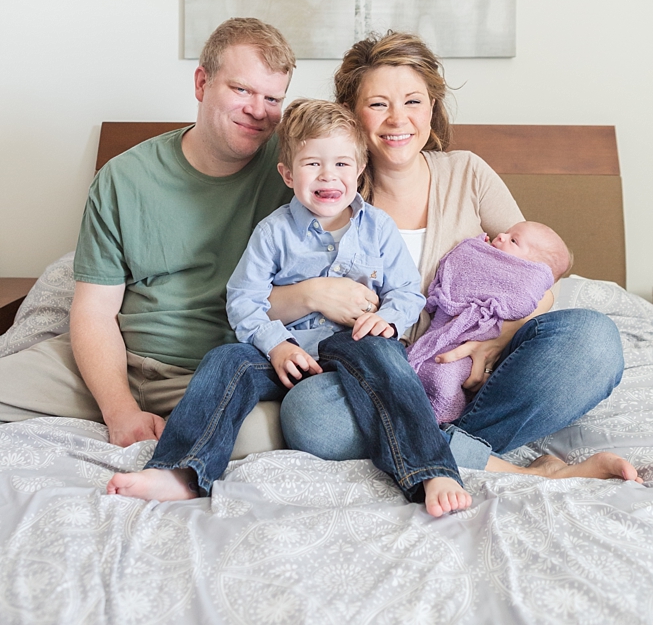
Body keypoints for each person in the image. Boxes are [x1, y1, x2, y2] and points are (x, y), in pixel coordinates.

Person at [277, 32, 641, 486]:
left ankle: (417, 445)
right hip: (380, 384)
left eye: (412, 101)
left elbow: (537, 278)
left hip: (471, 378)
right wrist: (312, 292)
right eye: (377, 105)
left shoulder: (467, 172)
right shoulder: (324, 186)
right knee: (310, 415)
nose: (398, 120)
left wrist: (495, 340)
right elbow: (259, 299)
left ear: (432, 108)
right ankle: (512, 468)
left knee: (594, 340)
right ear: (351, 113)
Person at [107, 99, 472, 517]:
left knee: (387, 357)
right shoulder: (274, 232)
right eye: (312, 164)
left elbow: (408, 292)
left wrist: (386, 318)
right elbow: (243, 299)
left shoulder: (379, 228)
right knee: (226, 359)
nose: (327, 176)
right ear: (287, 173)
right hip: (289, 353)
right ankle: (179, 471)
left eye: (340, 164)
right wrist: (275, 344)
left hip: (356, 345)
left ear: (359, 171)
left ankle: (431, 470)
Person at [0, 18, 349, 454]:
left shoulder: (299, 173)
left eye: (272, 98)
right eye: (241, 90)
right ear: (202, 83)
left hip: (216, 372)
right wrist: (119, 411)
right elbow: (93, 311)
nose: (258, 111)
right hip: (114, 362)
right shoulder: (123, 178)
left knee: (257, 437)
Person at [407, 223, 571, 423]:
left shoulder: (523, 279)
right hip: (422, 338)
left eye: (513, 240)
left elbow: (537, 291)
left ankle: (442, 421)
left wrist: (502, 336)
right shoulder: (475, 250)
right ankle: (439, 435)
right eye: (507, 233)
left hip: (472, 346)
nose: (501, 235)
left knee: (444, 379)